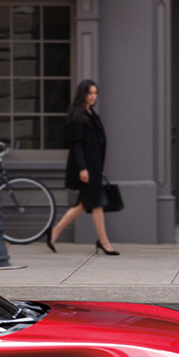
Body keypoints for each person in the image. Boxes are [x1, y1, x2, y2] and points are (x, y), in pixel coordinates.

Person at [46, 80, 119, 256]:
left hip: (94, 167)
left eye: (95, 93)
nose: (93, 96)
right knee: (96, 205)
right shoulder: (78, 116)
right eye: (90, 93)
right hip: (86, 168)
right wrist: (82, 168)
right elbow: (77, 145)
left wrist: (99, 167)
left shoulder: (91, 114)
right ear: (83, 95)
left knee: (84, 205)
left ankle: (54, 232)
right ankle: (104, 243)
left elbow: (97, 143)